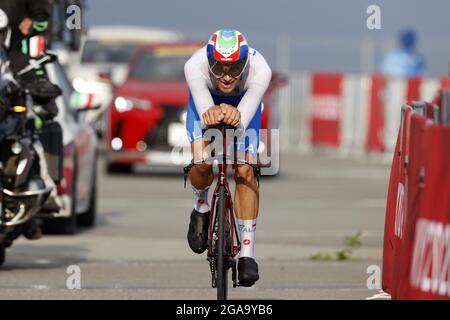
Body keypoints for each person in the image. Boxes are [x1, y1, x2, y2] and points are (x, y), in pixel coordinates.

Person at [184, 28, 271, 286]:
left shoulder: (260, 69)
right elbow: (204, 109)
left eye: (234, 68)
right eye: (218, 67)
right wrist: (212, 112)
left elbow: (244, 118)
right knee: (202, 163)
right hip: (205, 103)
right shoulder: (194, 65)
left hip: (246, 104)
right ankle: (201, 205)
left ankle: (247, 253)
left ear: (244, 64)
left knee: (245, 170)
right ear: (208, 61)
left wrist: (236, 118)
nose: (225, 76)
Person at [0, 4, 61, 240]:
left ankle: (46, 188)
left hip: (20, 73)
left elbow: (43, 20)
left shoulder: (15, 56)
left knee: (42, 118)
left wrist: (33, 24)